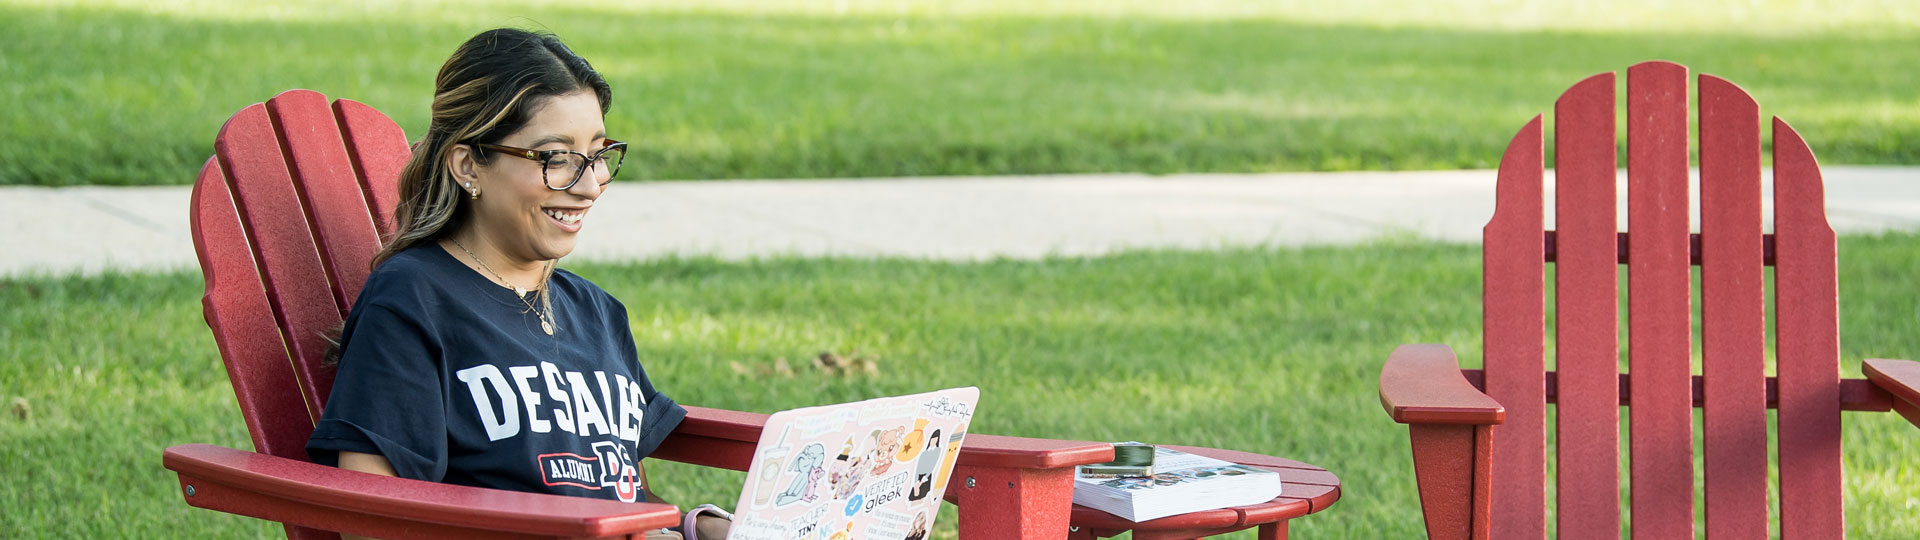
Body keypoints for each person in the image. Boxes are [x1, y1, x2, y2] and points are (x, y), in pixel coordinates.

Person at [303, 28, 729, 540]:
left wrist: (694, 528)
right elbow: (371, 519)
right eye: (556, 158)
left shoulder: (595, 312)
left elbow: (623, 494)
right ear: (468, 165)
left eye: (597, 154)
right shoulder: (413, 301)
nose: (590, 184)